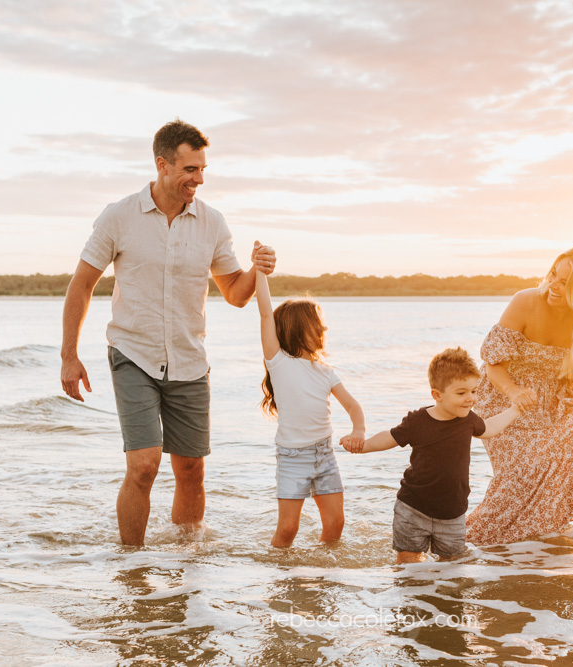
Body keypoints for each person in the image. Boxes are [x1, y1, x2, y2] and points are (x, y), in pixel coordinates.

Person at [60, 119, 276, 547]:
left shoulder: (212, 223)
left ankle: (187, 565)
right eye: (190, 169)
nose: (198, 179)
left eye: (202, 170)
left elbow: (234, 293)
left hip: (190, 360)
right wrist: (70, 354)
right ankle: (131, 568)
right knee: (143, 465)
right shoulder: (119, 216)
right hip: (132, 354)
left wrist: (257, 270)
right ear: (162, 164)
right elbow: (81, 285)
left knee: (191, 469)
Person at [466, 247, 573, 545]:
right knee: (517, 477)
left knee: (550, 476)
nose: (553, 286)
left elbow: (572, 370)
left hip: (551, 400)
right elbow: (494, 365)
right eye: (553, 276)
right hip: (503, 396)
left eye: (565, 282)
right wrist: (514, 392)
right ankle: (475, 540)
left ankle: (534, 542)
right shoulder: (526, 302)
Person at [344, 347, 523, 563]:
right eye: (461, 393)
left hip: (452, 512)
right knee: (408, 562)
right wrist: (362, 446)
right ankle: (412, 595)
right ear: (437, 395)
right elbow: (390, 437)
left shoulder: (468, 420)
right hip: (413, 508)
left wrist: (516, 410)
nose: (471, 399)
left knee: (452, 565)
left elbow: (490, 428)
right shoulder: (417, 421)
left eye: (474, 391)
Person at [255, 265, 366, 547]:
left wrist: (358, 431)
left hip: (324, 454)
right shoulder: (279, 362)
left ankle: (324, 571)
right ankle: (279, 575)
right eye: (317, 325)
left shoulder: (326, 371)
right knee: (288, 529)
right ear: (296, 329)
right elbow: (266, 313)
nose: (324, 329)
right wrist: (259, 271)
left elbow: (353, 406)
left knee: (335, 523)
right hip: (293, 457)